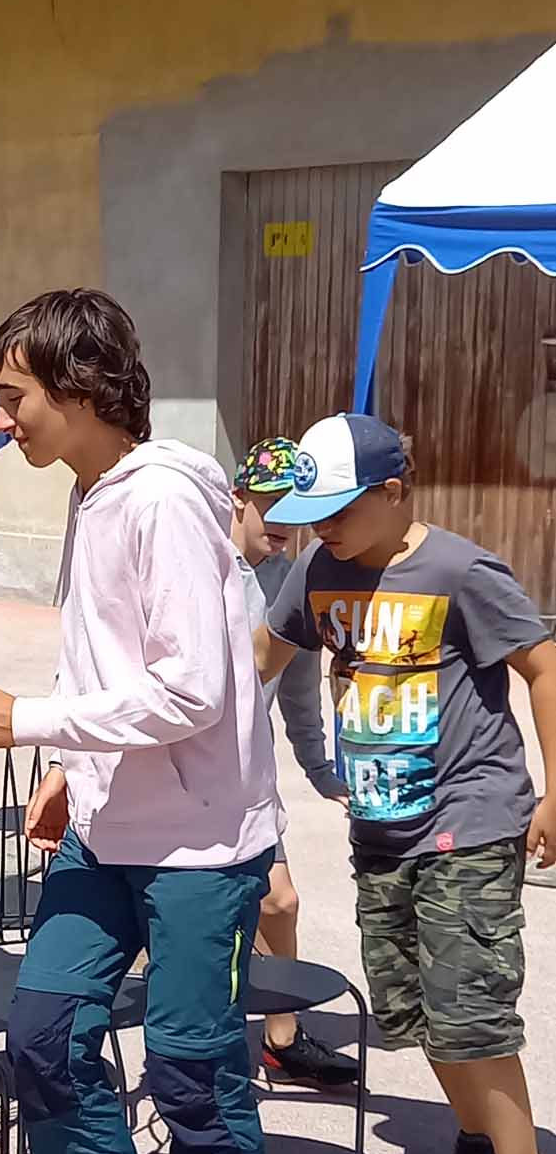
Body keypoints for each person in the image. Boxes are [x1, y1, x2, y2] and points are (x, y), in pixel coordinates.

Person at [0, 290, 286, 1154]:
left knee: (189, 1067)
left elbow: (193, 688)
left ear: (81, 385)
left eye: (14, 396)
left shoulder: (160, 499)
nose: (0, 419)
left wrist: (32, 721)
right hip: (106, 828)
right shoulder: (92, 491)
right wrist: (71, 764)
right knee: (43, 1034)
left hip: (199, 843)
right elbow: (111, 657)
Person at [256, 412, 556, 1154]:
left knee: (467, 1006)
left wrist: (555, 791)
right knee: (413, 1010)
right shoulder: (316, 571)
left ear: (392, 491)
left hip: (470, 816)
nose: (320, 527)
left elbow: (543, 665)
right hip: (380, 827)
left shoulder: (458, 569)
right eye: (310, 512)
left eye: (338, 509)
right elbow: (257, 663)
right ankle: (479, 1136)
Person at [231, 437, 357, 1094]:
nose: (283, 518)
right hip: (183, 775)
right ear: (238, 497)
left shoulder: (294, 578)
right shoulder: (201, 564)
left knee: (278, 903)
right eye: (270, 501)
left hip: (247, 776)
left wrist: (320, 771)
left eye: (295, 506)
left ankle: (281, 1041)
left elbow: (300, 692)